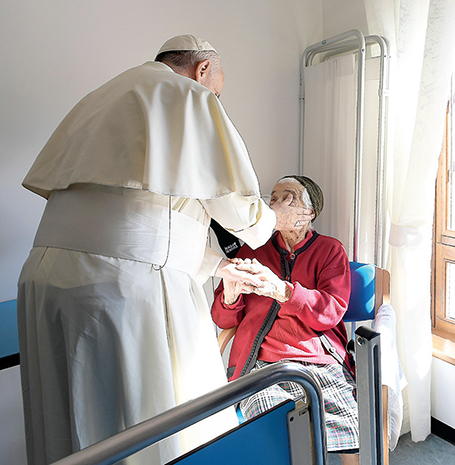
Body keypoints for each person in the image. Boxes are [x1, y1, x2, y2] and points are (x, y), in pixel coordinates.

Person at [17, 35, 311, 465]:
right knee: (142, 429)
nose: (215, 99)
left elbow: (140, 217)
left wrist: (218, 265)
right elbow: (239, 212)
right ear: (203, 70)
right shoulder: (188, 94)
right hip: (118, 291)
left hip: (47, 279)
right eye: (217, 90)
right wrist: (277, 218)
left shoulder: (101, 97)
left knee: (65, 425)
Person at [211, 176, 360, 464]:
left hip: (319, 362)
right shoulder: (252, 249)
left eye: (290, 197)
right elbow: (222, 317)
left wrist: (283, 291)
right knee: (279, 434)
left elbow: (331, 310)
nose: (278, 204)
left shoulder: (330, 250)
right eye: (275, 198)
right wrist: (230, 296)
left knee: (351, 425)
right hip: (261, 365)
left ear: (310, 212)